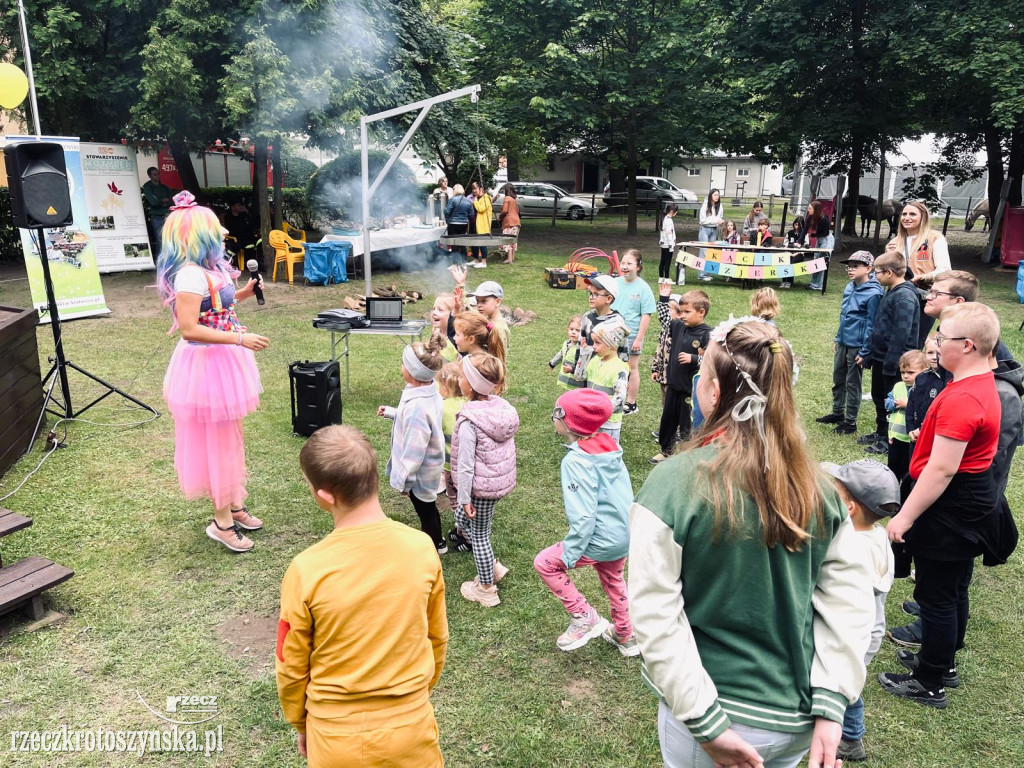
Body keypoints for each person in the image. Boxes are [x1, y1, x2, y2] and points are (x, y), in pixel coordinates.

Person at [629, 316, 873, 768]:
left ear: (714, 393)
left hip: (717, 715)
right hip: (798, 721)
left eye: (702, 376)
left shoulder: (672, 484)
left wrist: (704, 722)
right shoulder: (821, 489)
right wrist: (832, 704)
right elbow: (852, 604)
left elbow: (655, 612)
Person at [276, 425, 448, 768]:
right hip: (410, 727)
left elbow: (291, 666)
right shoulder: (421, 548)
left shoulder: (306, 569)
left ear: (324, 496)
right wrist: (414, 696)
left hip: (334, 737)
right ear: (373, 476)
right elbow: (437, 638)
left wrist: (301, 721)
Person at [880, 303, 1004, 709]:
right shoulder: (979, 382)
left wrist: (905, 516)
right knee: (953, 588)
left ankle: (929, 680)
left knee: (937, 595)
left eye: (940, 338)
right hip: (970, 503)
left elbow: (941, 470)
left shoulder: (963, 398)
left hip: (951, 508)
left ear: (967, 346)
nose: (933, 345)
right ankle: (942, 662)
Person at [156, 190, 267, 553]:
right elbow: (190, 329)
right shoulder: (190, 275)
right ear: (199, 235)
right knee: (217, 442)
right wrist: (239, 339)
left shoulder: (207, 270)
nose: (222, 233)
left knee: (230, 436)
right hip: (207, 366)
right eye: (215, 228)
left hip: (223, 362)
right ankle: (221, 522)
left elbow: (217, 306)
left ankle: (233, 505)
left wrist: (246, 292)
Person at [536, 388, 639, 656]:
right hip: (624, 533)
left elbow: (583, 516)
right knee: (614, 579)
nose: (552, 417)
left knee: (545, 563)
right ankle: (625, 634)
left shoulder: (576, 461)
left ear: (568, 422)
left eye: (556, 412)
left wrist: (571, 552)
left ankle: (585, 617)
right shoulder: (610, 446)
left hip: (599, 538)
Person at [819, 460, 900, 764]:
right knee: (847, 679)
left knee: (844, 685)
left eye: (835, 492)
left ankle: (851, 739)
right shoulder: (876, 535)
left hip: (855, 634)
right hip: (869, 631)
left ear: (849, 507)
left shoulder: (851, 546)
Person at [451, 354, 519, 607]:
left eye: (461, 376)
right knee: (461, 520)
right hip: (494, 483)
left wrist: (464, 497)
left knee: (479, 536)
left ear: (472, 384)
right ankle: (492, 565)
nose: (458, 380)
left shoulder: (471, 421)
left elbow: (467, 465)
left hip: (479, 488)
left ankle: (487, 587)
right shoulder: (499, 408)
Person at [377, 332, 448, 555]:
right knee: (428, 505)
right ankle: (438, 540)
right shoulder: (425, 393)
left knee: (425, 509)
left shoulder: (418, 405)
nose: (401, 367)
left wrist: (405, 481)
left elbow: (414, 449)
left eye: (403, 364)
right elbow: (413, 418)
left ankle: (434, 545)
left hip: (421, 472)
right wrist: (393, 413)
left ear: (413, 372)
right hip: (427, 468)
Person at [816, 251, 883, 435]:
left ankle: (850, 422)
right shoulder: (849, 287)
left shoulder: (874, 293)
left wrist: (865, 351)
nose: (850, 269)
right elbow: (844, 316)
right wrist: (838, 338)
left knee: (853, 383)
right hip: (843, 341)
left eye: (856, 266)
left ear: (869, 268)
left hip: (857, 345)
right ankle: (837, 412)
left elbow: (872, 325)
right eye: (849, 266)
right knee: (838, 378)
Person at [861, 253, 920, 455]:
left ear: (889, 272)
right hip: (881, 358)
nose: (874, 276)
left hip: (895, 362)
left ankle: (891, 439)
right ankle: (881, 431)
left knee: (892, 400)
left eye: (876, 272)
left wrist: (891, 363)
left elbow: (901, 334)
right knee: (879, 396)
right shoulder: (892, 291)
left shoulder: (905, 296)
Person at [650, 286, 711, 465]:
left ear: (701, 312)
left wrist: (694, 358)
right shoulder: (678, 326)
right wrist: (663, 298)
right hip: (673, 385)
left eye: (687, 312)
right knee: (668, 420)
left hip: (690, 392)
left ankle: (687, 456)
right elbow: (664, 319)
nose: (682, 315)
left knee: (687, 425)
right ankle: (665, 451)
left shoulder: (708, 334)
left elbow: (710, 362)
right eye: (681, 311)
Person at [613, 249, 655, 416]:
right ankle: (615, 396)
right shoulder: (615, 283)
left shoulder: (643, 288)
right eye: (623, 263)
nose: (625, 266)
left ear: (638, 266)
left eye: (629, 263)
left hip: (631, 335)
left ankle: (631, 402)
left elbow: (646, 315)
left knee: (632, 367)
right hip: (612, 334)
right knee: (613, 365)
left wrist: (638, 338)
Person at [437, 362, 469, 552]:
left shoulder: (442, 409)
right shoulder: (469, 403)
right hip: (468, 464)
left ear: (445, 386)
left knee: (455, 499)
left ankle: (467, 537)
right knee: (465, 497)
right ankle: (460, 530)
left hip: (450, 465)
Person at [881, 350, 929, 477]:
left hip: (912, 440)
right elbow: (887, 402)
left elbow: (926, 409)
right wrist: (895, 404)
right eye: (903, 372)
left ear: (924, 371)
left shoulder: (924, 390)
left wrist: (908, 404)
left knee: (908, 471)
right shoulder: (898, 386)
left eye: (911, 372)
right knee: (892, 469)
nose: (905, 376)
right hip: (896, 437)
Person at [573, 275, 630, 381]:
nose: (591, 297)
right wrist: (576, 367)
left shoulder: (617, 322)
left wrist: (623, 376)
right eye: (590, 293)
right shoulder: (587, 317)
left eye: (596, 294)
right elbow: (580, 345)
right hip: (585, 372)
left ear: (609, 298)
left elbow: (623, 350)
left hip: (605, 375)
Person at [583, 324, 631, 444]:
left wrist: (601, 413)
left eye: (597, 343)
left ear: (612, 345)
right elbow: (579, 377)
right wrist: (584, 355)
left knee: (607, 452)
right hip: (591, 418)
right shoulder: (594, 361)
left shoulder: (620, 368)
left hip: (608, 423)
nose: (593, 346)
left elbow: (620, 397)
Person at [652, 292, 684, 406]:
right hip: (663, 376)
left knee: (675, 406)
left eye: (668, 308)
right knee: (665, 404)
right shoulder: (664, 330)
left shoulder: (680, 331)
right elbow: (659, 349)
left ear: (680, 314)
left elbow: (664, 317)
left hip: (674, 378)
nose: (666, 311)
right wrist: (655, 369)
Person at [453, 311, 507, 376]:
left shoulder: (472, 365)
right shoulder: (488, 358)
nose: (454, 338)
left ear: (471, 339)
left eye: (457, 334)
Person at [142, 166, 177, 253]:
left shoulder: (164, 187)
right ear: (149, 176)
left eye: (158, 174)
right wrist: (163, 200)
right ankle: (160, 262)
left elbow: (172, 201)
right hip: (156, 216)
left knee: (170, 239)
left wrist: (159, 201)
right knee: (160, 240)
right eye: (154, 174)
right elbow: (153, 202)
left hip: (167, 215)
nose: (157, 176)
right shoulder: (147, 187)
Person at [694, 189, 724, 283]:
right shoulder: (705, 205)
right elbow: (703, 220)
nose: (717, 197)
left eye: (718, 195)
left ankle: (707, 273)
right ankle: (701, 274)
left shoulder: (720, 206)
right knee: (704, 251)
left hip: (714, 229)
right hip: (705, 229)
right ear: (711, 195)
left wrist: (719, 221)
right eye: (715, 195)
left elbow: (720, 217)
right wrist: (715, 221)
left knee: (711, 252)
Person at [803, 200, 833, 292]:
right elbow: (805, 229)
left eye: (810, 209)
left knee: (822, 262)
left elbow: (825, 233)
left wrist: (814, 235)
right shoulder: (811, 217)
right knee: (816, 260)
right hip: (819, 238)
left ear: (816, 210)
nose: (808, 210)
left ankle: (819, 285)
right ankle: (813, 283)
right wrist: (800, 241)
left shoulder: (824, 219)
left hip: (826, 239)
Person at [548, 315, 583, 390]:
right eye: (571, 329)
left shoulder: (582, 348)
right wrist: (552, 364)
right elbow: (560, 355)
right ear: (567, 330)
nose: (573, 332)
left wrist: (573, 370)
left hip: (576, 385)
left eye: (578, 330)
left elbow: (583, 364)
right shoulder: (566, 343)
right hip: (564, 381)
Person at [223, 198, 258, 268]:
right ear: (233, 207)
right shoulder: (228, 217)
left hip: (248, 237)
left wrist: (247, 213)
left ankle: (256, 263)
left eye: (242, 205)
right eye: (239, 205)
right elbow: (232, 229)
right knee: (244, 245)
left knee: (258, 242)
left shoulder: (244, 215)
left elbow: (251, 226)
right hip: (236, 238)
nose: (241, 207)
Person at [444, 184, 474, 264]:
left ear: (455, 190)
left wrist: (447, 220)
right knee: (462, 243)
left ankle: (456, 264)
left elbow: (447, 211)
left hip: (453, 224)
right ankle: (464, 262)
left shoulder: (452, 200)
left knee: (454, 244)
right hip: (464, 224)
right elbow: (471, 214)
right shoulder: (468, 200)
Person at [470, 181, 493, 268]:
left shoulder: (486, 198)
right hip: (476, 223)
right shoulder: (479, 198)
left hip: (483, 225)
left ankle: (484, 262)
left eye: (475, 188)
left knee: (482, 243)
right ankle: (475, 260)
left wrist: (475, 202)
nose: (474, 191)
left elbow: (481, 209)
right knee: (475, 242)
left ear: (481, 189)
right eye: (473, 189)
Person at [429, 294, 459, 361]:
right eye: (433, 309)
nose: (434, 312)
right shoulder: (436, 332)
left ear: (452, 315)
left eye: (440, 310)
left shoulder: (456, 339)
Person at [497, 183, 521, 263]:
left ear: (506, 190)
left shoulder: (507, 198)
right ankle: (512, 258)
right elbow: (518, 211)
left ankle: (509, 259)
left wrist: (500, 217)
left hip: (509, 222)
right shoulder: (514, 200)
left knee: (508, 240)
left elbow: (505, 210)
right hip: (517, 222)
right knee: (513, 241)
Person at [781, 215, 806, 289]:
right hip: (788, 253)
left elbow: (805, 246)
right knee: (785, 261)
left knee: (791, 263)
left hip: (799, 254)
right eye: (796, 224)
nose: (797, 227)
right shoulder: (789, 233)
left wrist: (797, 253)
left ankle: (789, 281)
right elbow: (785, 244)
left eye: (799, 225)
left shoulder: (804, 234)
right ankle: (783, 281)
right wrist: (787, 252)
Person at [659, 204, 679, 282]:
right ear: (671, 211)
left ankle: (661, 277)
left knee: (663, 261)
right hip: (668, 244)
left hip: (663, 243)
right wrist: (671, 246)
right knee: (667, 261)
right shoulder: (668, 220)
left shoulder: (664, 219)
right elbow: (669, 234)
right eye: (675, 211)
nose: (676, 213)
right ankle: (666, 278)